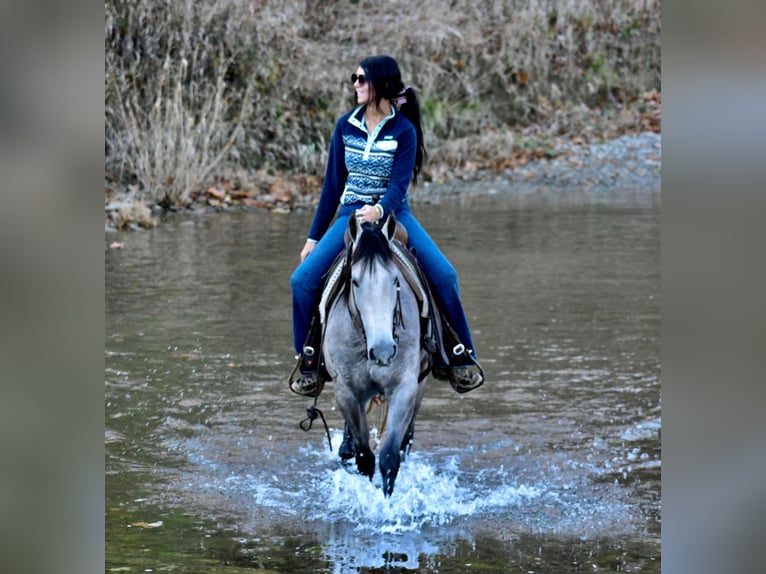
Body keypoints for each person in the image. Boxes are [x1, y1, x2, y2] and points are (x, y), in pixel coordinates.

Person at [289, 55, 483, 396]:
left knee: (446, 275)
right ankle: (310, 363)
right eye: (355, 78)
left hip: (394, 214)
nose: (356, 85)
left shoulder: (403, 130)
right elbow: (332, 187)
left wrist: (380, 210)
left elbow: (398, 185)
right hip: (350, 214)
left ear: (381, 84)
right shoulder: (345, 125)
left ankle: (459, 355)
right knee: (301, 281)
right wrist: (313, 237)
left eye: (362, 79)